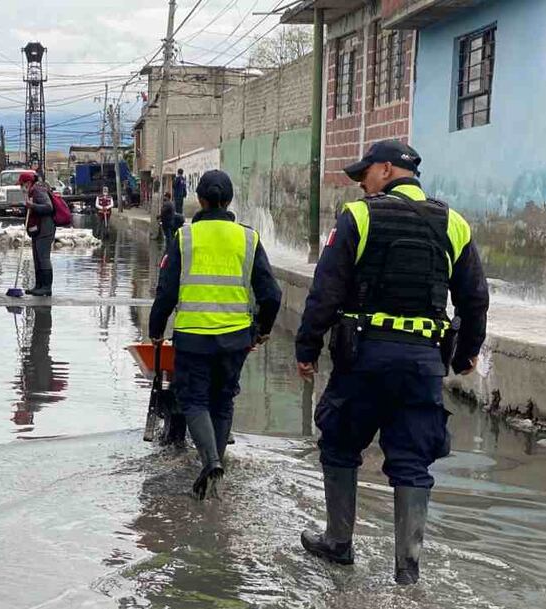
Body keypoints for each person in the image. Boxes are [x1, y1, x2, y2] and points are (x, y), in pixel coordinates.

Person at [296, 140, 489, 585]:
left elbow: (325, 292)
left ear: (386, 170)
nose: (362, 183)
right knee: (412, 460)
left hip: (363, 358)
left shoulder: (358, 216)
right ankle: (408, 568)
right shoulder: (453, 222)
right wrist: (465, 355)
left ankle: (339, 544)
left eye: (365, 173)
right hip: (422, 362)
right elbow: (474, 298)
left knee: (341, 445)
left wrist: (306, 348)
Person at [149, 170, 282, 499]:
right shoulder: (248, 238)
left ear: (201, 200)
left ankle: (209, 462)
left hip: (193, 337)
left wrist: (155, 331)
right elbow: (271, 294)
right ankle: (217, 466)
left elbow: (165, 291)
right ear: (229, 200)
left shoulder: (184, 237)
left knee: (193, 400)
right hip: (236, 338)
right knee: (223, 401)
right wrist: (262, 330)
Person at [20, 170, 55, 296]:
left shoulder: (38, 190)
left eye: (22, 184)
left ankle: (46, 287)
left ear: (28, 182)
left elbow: (48, 207)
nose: (21, 187)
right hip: (37, 230)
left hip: (45, 230)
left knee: (43, 258)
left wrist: (33, 206)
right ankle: (38, 285)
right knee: (37, 258)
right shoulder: (31, 191)